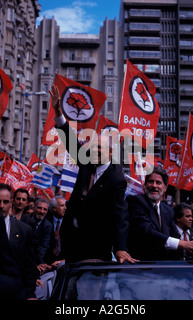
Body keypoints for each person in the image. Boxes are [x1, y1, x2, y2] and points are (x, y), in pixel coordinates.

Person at [49, 84, 135, 263]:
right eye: (93, 147)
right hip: (71, 238)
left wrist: (120, 248)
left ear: (110, 153)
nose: (93, 151)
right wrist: (58, 113)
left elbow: (119, 215)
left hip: (96, 246)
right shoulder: (88, 159)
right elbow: (71, 142)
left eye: (99, 149)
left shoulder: (116, 179)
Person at [127, 166, 193, 261]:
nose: (154, 186)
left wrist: (191, 251)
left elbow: (174, 237)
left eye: (158, 182)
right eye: (151, 182)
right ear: (145, 185)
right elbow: (147, 232)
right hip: (141, 268)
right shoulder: (136, 202)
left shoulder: (169, 210)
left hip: (164, 269)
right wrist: (183, 244)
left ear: (165, 188)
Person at [0, 183, 39, 299]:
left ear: (11, 202)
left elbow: (29, 266)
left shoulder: (24, 230)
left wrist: (30, 294)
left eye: (5, 202)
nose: (2, 206)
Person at [33, 199, 52, 266]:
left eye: (45, 209)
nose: (42, 211)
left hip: (36, 259)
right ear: (34, 208)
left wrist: (40, 263)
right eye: (39, 208)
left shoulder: (48, 225)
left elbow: (44, 246)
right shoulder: (25, 220)